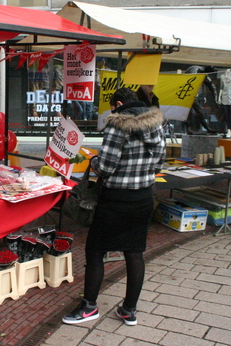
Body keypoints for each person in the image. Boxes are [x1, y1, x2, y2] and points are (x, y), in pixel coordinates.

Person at [62, 87, 166, 326]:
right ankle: (129, 310)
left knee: (96, 250)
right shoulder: (157, 124)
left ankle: (89, 307)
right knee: (134, 252)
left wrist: (93, 160)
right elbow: (159, 164)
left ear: (118, 104)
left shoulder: (117, 125)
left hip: (116, 199)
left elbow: (106, 167)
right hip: (143, 198)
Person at [217, 68, 231, 137]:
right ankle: (229, 130)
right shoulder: (222, 76)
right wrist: (219, 97)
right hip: (224, 97)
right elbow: (221, 87)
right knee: (226, 114)